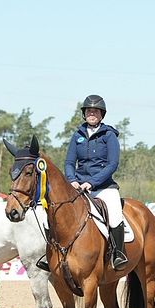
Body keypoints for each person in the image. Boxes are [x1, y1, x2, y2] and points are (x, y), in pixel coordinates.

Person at [65, 94, 127, 271]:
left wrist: (92, 182)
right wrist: (71, 180)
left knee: (115, 216)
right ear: (84, 114)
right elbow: (69, 162)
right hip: (78, 187)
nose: (92, 114)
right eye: (89, 111)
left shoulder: (109, 136)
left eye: (96, 111)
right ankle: (52, 253)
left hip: (103, 187)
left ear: (102, 114)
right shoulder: (77, 135)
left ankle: (118, 254)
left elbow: (112, 164)